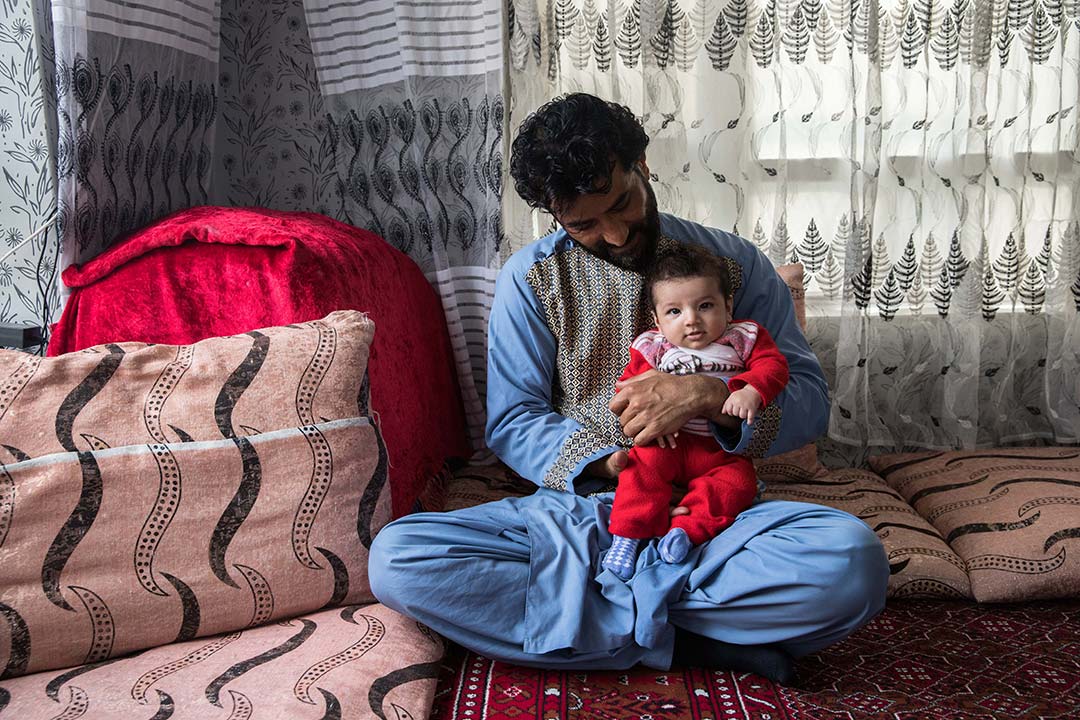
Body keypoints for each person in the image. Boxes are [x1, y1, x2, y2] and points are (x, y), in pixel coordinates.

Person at [369, 93, 888, 684]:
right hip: (581, 517)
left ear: (643, 166)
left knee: (853, 563)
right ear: (553, 216)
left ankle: (591, 622)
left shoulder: (735, 266)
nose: (614, 235)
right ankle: (694, 640)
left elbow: (810, 404)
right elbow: (514, 421)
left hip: (711, 513)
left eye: (623, 204)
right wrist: (608, 463)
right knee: (396, 560)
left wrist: (705, 396)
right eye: (584, 224)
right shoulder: (530, 280)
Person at [603, 244, 789, 580]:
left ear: (728, 307)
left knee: (739, 483)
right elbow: (629, 387)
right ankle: (628, 536)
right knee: (639, 469)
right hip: (667, 443)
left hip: (718, 451)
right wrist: (643, 412)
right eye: (675, 312)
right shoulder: (653, 346)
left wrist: (751, 390)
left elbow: (773, 365)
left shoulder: (743, 337)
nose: (692, 320)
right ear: (657, 321)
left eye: (705, 306)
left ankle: (685, 533)